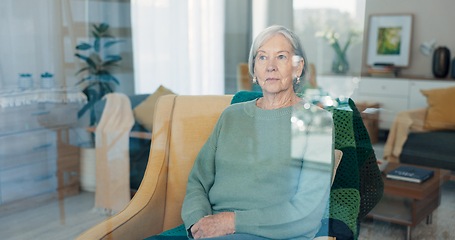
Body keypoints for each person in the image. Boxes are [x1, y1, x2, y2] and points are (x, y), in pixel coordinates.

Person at [181, 25, 335, 239]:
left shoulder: (316, 122)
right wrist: (198, 222)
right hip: (209, 229)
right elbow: (197, 180)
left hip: (271, 233)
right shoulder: (231, 116)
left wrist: (231, 222)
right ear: (254, 68)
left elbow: (307, 213)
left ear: (298, 67)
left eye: (281, 57)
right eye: (262, 57)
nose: (270, 67)